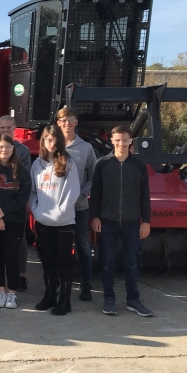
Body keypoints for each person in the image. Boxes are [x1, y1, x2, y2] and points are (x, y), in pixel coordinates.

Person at [90, 125, 153, 317]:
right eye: (117, 140)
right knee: (107, 262)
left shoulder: (139, 166)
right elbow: (96, 193)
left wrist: (146, 221)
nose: (121, 143)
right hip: (107, 222)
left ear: (130, 141)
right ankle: (109, 300)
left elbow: (145, 196)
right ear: (111, 141)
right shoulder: (102, 164)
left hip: (132, 223)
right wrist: (95, 217)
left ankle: (133, 301)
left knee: (131, 263)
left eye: (125, 140)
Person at [30, 124, 80, 315]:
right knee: (47, 261)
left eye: (54, 139)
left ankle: (65, 301)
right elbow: (33, 193)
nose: (51, 143)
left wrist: (60, 212)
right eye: (47, 139)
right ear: (43, 141)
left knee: (64, 262)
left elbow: (72, 191)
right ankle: (50, 295)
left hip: (64, 223)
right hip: (43, 222)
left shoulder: (68, 162)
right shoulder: (37, 164)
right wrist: (37, 210)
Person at [0, 134, 32, 309]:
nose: (4, 150)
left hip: (14, 220)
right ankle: (1, 292)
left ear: (13, 149)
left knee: (11, 256)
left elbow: (22, 197)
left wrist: (4, 212)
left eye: (8, 147)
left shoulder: (21, 170)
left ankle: (12, 293)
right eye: (1, 147)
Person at [56, 106, 98, 302]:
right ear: (58, 123)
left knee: (82, 245)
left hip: (79, 207)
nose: (67, 124)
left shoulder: (86, 148)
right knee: (59, 247)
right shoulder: (52, 145)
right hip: (57, 208)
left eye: (70, 120)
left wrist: (84, 194)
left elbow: (93, 176)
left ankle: (86, 284)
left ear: (76, 122)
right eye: (63, 120)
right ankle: (58, 283)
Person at [0, 115, 33, 291]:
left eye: (9, 128)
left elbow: (26, 179)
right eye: (2, 127)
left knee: (18, 241)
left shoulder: (23, 151)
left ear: (15, 128)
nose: (5, 130)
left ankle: (21, 275)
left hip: (15, 203)